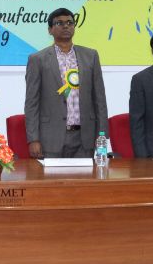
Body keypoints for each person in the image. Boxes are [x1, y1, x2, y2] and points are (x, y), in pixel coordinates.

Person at [24, 8, 108, 158]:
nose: (66, 26)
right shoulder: (37, 59)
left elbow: (99, 99)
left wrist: (102, 135)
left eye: (70, 22)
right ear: (50, 30)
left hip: (85, 138)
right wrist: (33, 139)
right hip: (51, 138)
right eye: (59, 23)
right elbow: (32, 102)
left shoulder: (91, 56)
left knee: (86, 175)